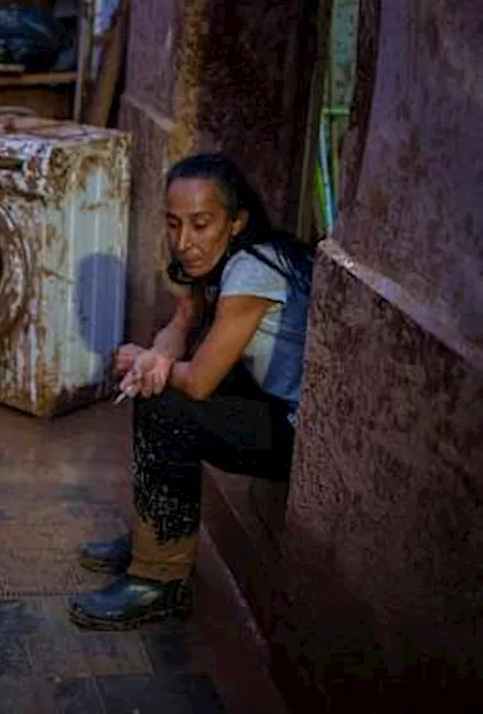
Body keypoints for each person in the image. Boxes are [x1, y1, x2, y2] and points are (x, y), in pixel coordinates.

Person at [68, 153, 314, 631]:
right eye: (175, 224)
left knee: (166, 409)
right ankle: (153, 536)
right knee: (155, 388)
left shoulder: (251, 272)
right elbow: (178, 326)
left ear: (236, 221)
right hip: (265, 399)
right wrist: (156, 358)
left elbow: (199, 380)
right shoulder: (219, 262)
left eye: (201, 224)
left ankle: (159, 582)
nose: (185, 242)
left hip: (294, 433)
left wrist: (150, 363)